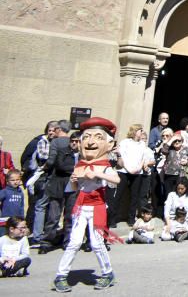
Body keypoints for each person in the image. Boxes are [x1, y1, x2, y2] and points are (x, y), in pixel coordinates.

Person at [53, 117, 121, 293]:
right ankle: (61, 275)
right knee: (74, 242)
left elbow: (116, 179)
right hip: (81, 207)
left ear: (109, 143)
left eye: (98, 137)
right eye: (86, 137)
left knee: (97, 243)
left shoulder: (104, 166)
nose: (90, 142)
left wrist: (99, 174)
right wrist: (74, 180)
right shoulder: (80, 165)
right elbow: (75, 187)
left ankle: (107, 273)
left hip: (97, 207)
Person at [39, 120, 74, 254]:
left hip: (57, 180)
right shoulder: (75, 141)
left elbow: (51, 160)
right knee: (69, 213)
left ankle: (46, 242)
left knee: (54, 213)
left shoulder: (56, 142)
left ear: (59, 129)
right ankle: (67, 241)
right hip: (72, 180)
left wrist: (44, 167)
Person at [26, 121, 57, 244]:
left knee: (53, 207)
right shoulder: (42, 141)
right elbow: (44, 157)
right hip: (43, 177)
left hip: (55, 178)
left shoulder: (58, 143)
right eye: (49, 130)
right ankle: (37, 236)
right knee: (40, 206)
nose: (51, 132)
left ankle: (48, 233)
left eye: (53, 130)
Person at [111, 123, 146, 227]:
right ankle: (113, 219)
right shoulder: (125, 142)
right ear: (135, 131)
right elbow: (122, 157)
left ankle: (131, 219)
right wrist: (129, 169)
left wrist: (139, 168)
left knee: (134, 196)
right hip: (124, 172)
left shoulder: (142, 144)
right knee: (119, 195)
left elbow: (143, 157)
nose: (142, 132)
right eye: (140, 130)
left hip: (137, 172)